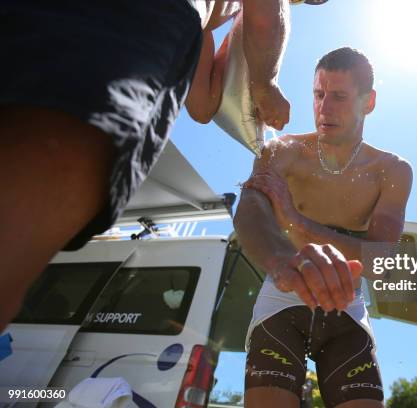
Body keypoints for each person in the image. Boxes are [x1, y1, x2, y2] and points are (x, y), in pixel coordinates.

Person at [0, 0, 293, 331]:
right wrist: (266, 84)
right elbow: (266, 18)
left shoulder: (207, 26)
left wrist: (218, 38)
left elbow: (201, 106)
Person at [234, 47, 413, 408]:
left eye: (339, 97)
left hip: (347, 307)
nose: (324, 108)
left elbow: (381, 261)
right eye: (318, 95)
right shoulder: (282, 151)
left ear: (369, 102)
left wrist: (295, 220)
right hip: (283, 295)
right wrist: (280, 261)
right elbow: (249, 209)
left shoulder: (391, 170)